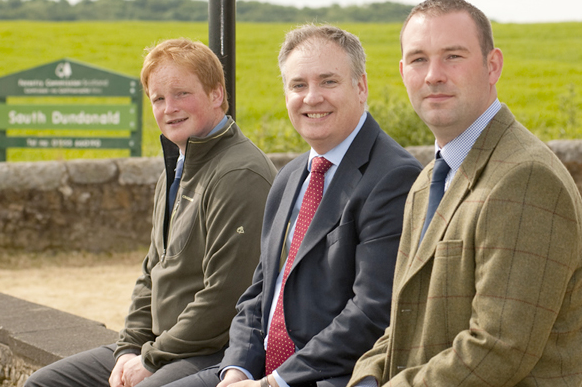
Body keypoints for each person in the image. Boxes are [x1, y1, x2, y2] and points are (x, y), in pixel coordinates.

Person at [348, 0, 582, 387]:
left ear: (492, 65)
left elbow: (498, 348)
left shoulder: (526, 178)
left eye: (453, 56)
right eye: (418, 59)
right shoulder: (428, 180)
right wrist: (367, 376)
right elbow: (403, 324)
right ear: (402, 72)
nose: (433, 75)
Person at [163, 25, 422, 387]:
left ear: (360, 87)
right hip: (256, 371)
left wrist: (275, 382)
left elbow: (372, 313)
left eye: (328, 82)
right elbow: (259, 292)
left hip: (326, 377)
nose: (311, 97)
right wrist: (237, 369)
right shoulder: (290, 176)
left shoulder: (393, 178)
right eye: (298, 85)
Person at [25, 38, 277, 387]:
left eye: (181, 94)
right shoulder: (176, 168)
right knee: (44, 384)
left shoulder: (239, 173)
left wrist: (150, 358)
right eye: (158, 98)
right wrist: (128, 349)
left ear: (217, 94)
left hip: (214, 350)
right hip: (160, 345)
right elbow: (151, 273)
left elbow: (225, 298)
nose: (169, 107)